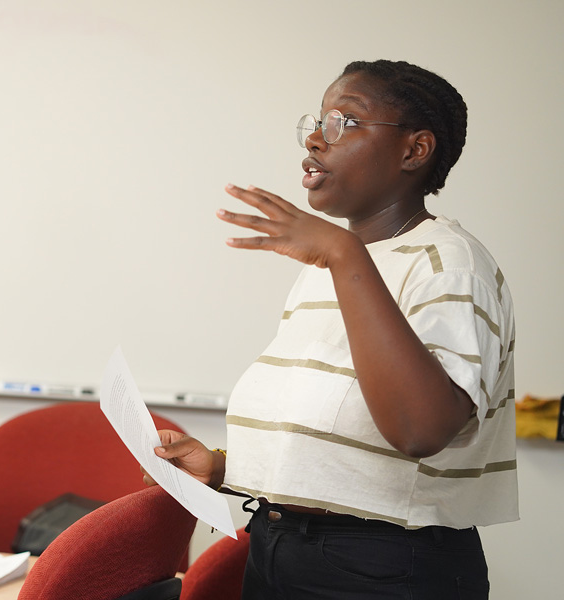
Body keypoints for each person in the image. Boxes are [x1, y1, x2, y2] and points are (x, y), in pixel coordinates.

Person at [153, 60, 516, 598]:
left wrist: (341, 252)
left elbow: (420, 430)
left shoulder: (448, 264)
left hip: (384, 570)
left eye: (345, 122)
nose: (317, 141)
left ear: (414, 150)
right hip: (280, 549)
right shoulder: (330, 266)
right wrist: (223, 467)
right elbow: (339, 446)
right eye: (317, 123)